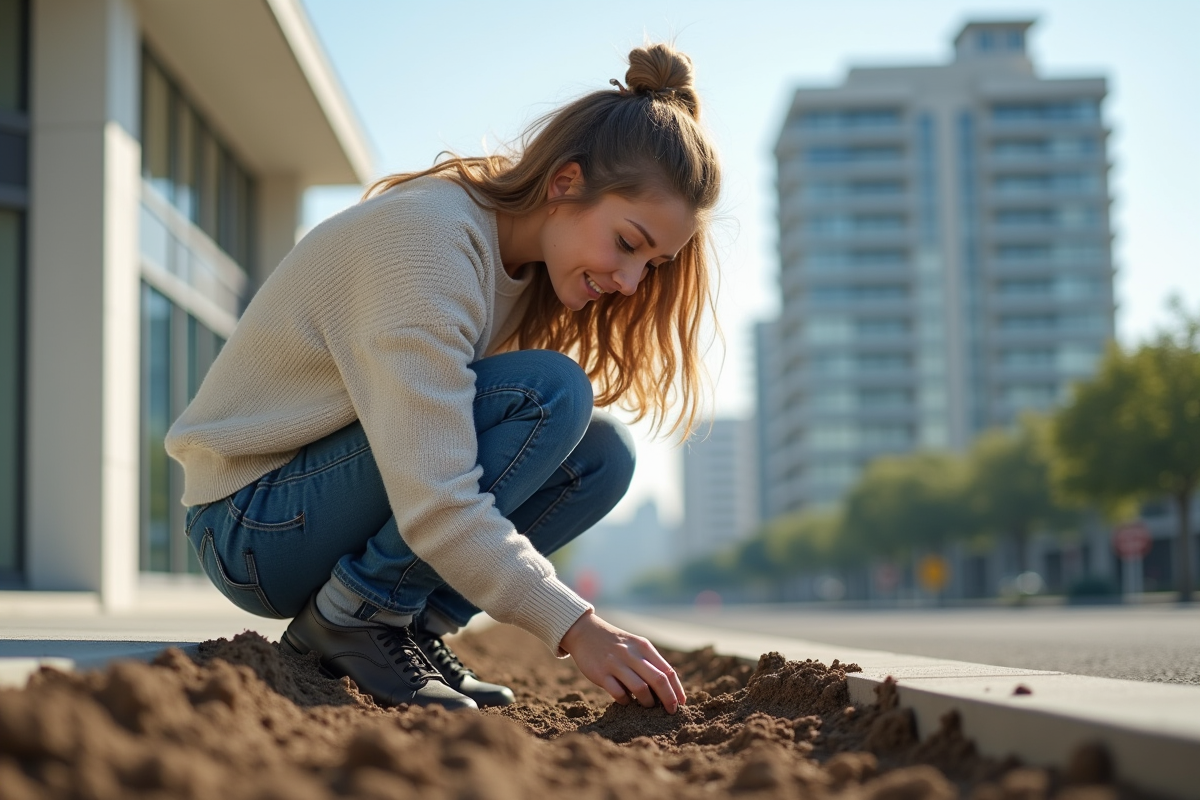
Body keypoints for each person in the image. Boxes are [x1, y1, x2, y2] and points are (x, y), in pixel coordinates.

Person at [165, 43, 721, 713]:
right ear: (565, 183)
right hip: (249, 524)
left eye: (652, 265)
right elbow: (436, 494)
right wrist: (578, 628)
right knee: (551, 394)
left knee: (603, 455)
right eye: (628, 244)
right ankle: (360, 613)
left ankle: (404, 625)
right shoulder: (430, 243)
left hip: (304, 510)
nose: (631, 282)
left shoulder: (518, 275)